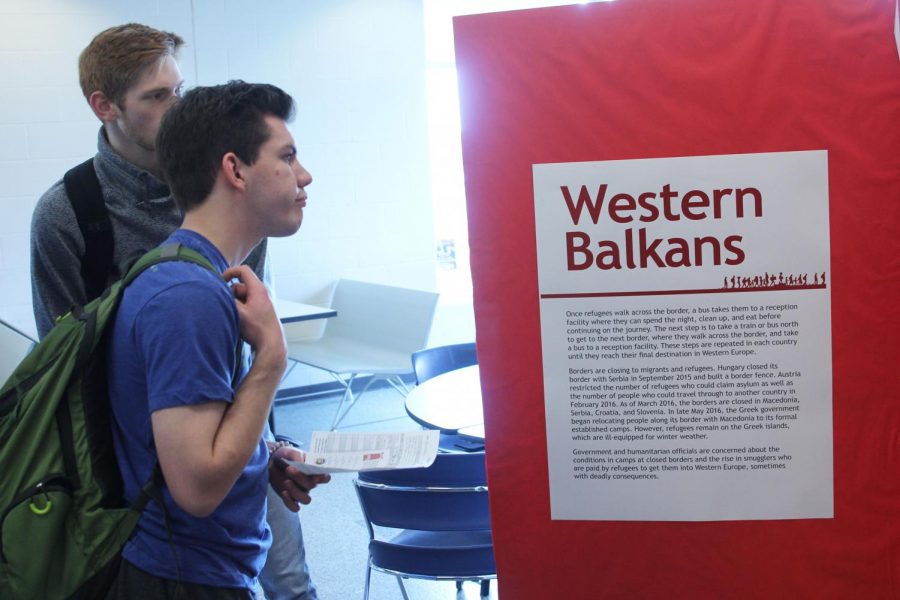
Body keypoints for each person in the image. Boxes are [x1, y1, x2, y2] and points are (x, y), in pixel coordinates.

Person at [29, 24, 321, 599]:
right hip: (153, 513)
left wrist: (256, 451)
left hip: (213, 470)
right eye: (156, 97)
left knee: (289, 579)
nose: (174, 110)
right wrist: (272, 362)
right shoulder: (76, 218)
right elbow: (66, 382)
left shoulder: (228, 225)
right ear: (104, 106)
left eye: (178, 92)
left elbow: (228, 365)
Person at [105, 80, 328, 598]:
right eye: (288, 157)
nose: (304, 175)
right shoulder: (187, 295)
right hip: (184, 578)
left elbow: (188, 440)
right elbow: (198, 487)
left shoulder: (192, 275)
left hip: (196, 570)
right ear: (235, 170)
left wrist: (261, 456)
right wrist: (272, 358)